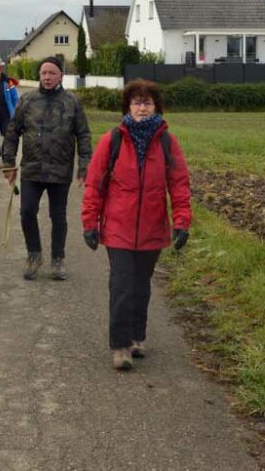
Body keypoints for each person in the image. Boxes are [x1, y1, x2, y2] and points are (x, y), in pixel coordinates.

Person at [80, 79, 191, 371]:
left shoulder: (167, 141)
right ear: (128, 106)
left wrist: (181, 221)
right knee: (122, 286)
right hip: (119, 228)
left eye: (148, 102)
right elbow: (95, 184)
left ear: (156, 107)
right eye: (137, 102)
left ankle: (137, 337)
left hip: (152, 228)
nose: (142, 107)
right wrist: (90, 222)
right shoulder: (113, 139)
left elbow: (179, 184)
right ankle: (120, 346)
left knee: (141, 286)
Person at [2, 56, 91, 281]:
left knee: (58, 216)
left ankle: (58, 259)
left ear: (60, 75)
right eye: (43, 73)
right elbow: (12, 131)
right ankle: (34, 254)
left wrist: (84, 165)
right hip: (32, 168)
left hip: (60, 171)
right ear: (39, 76)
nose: (47, 77)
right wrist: (9, 162)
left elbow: (83, 134)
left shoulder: (72, 102)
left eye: (52, 73)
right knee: (27, 211)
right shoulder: (28, 100)